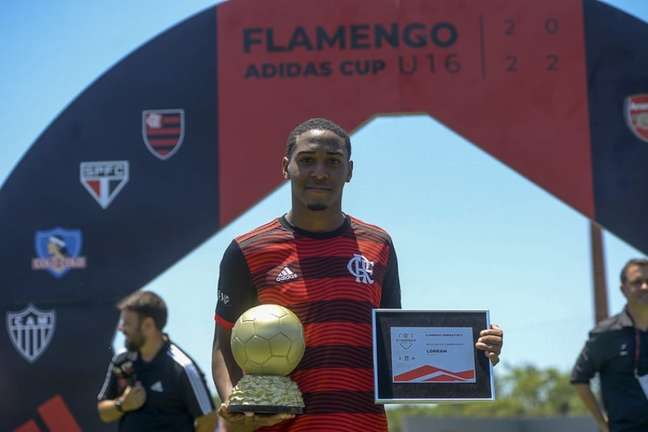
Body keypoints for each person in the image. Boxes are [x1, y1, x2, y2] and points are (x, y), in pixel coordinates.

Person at [211, 117, 504, 432]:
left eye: (333, 162)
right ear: (286, 167)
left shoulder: (379, 244)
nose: (320, 172)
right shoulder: (249, 250)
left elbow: (397, 348)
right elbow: (224, 344)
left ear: (349, 171)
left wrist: (471, 350)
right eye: (307, 160)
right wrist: (236, 402)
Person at [97, 291, 217, 432]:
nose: (121, 329)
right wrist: (122, 404)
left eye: (127, 323)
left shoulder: (183, 367)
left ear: (148, 325)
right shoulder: (121, 359)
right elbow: (103, 412)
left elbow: (209, 418)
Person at [571, 258, 648, 432]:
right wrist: (602, 422)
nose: (645, 287)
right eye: (637, 282)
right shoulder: (606, 334)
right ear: (624, 289)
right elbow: (579, 379)